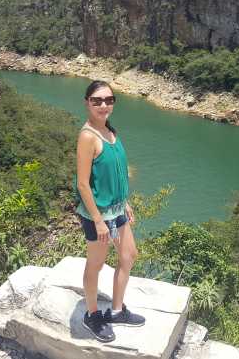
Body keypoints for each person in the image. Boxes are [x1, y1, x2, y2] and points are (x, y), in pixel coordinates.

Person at [75, 80, 145, 343]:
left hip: (117, 209)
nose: (103, 105)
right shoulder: (88, 136)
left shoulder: (110, 132)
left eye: (109, 100)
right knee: (96, 264)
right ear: (87, 103)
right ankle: (92, 316)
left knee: (128, 255)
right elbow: (83, 183)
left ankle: (116, 310)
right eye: (97, 100)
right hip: (98, 215)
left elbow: (115, 172)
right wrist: (98, 220)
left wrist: (124, 202)